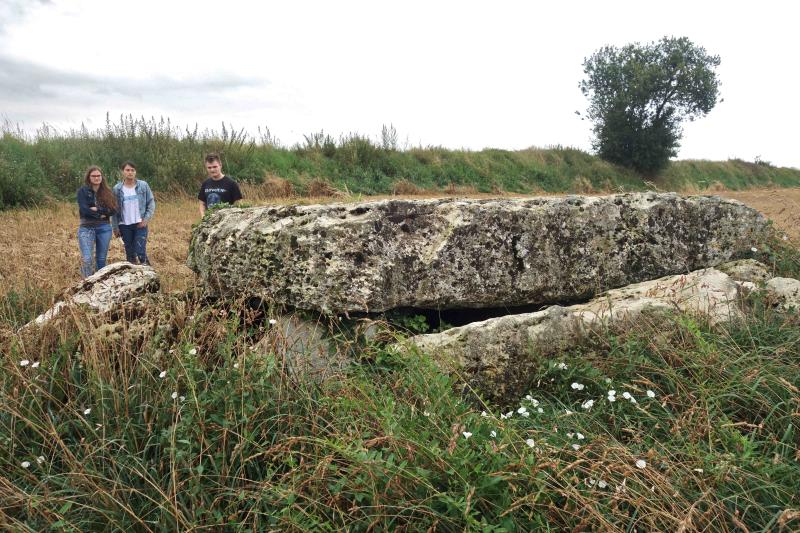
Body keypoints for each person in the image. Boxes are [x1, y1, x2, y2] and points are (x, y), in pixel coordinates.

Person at [111, 161, 156, 265]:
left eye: (132, 170)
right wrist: (115, 227)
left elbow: (151, 203)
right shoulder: (117, 189)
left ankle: (148, 271)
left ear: (135, 172)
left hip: (140, 224)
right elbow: (114, 210)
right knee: (130, 253)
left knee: (140, 251)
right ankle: (133, 273)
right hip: (124, 225)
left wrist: (146, 219)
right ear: (122, 172)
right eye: (127, 170)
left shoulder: (143, 185)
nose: (130, 172)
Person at [77, 166, 118, 277]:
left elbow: (113, 209)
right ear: (89, 177)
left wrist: (98, 209)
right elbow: (84, 210)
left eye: (98, 175)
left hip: (104, 228)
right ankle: (86, 283)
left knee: (101, 259)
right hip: (86, 228)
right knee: (87, 259)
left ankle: (100, 282)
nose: (96, 178)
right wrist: (102, 214)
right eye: (93, 176)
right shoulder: (82, 191)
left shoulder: (108, 192)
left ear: (102, 177)